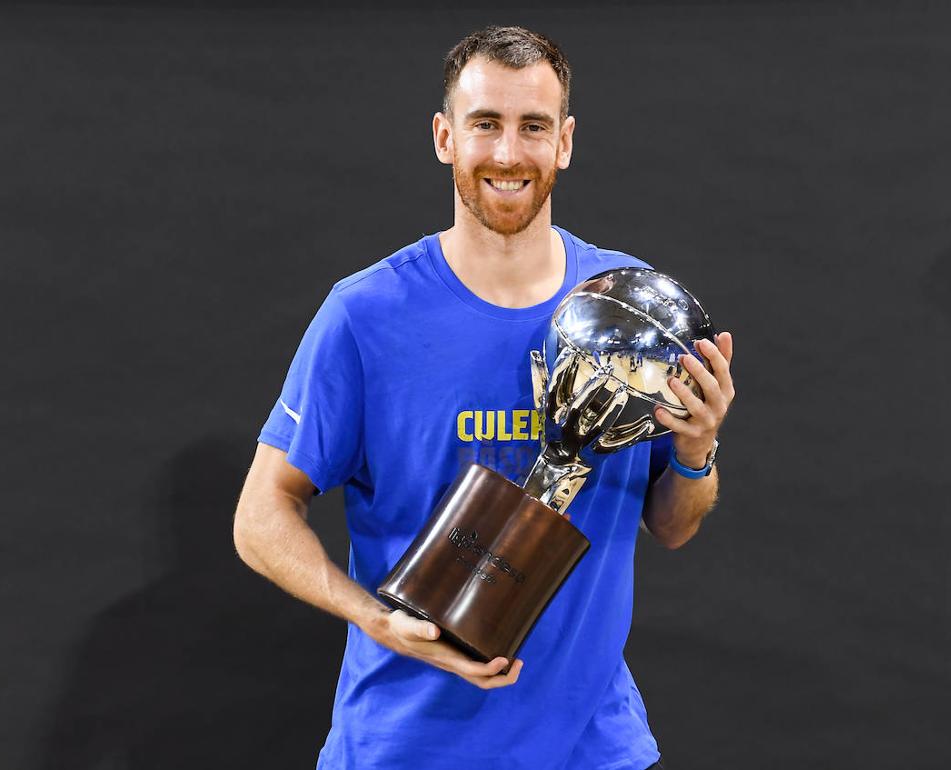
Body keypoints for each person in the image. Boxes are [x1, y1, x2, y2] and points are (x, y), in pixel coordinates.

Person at [233, 25, 735, 770]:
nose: (507, 153)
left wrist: (697, 452)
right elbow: (258, 517)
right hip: (404, 747)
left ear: (563, 142)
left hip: (591, 750)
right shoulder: (367, 315)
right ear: (445, 137)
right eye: (485, 124)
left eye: (532, 127)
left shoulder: (629, 315)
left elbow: (675, 527)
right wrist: (374, 618)